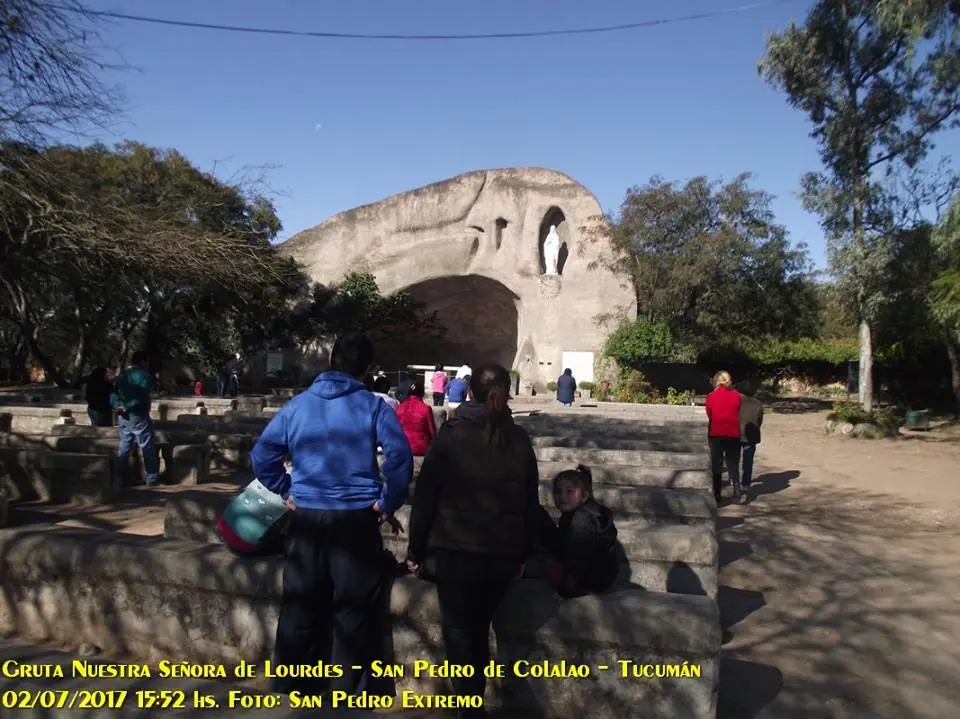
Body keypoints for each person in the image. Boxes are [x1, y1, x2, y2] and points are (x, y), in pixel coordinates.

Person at [251, 333, 414, 698]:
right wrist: (386, 501)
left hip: (306, 518)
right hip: (355, 520)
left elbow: (263, 455)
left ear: (329, 361)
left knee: (299, 607)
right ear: (368, 370)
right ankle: (346, 692)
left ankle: (288, 688)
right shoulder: (373, 407)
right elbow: (399, 460)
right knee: (352, 612)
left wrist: (287, 489)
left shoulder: (297, 406)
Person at [406, 363, 541, 714]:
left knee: (461, 634)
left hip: (455, 552)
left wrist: (416, 548)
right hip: (501, 556)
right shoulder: (519, 439)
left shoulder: (452, 435)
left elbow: (425, 497)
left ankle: (468, 704)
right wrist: (524, 553)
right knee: (478, 629)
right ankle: (471, 702)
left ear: (469, 392)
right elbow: (530, 503)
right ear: (507, 392)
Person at [538, 465, 619, 597]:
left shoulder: (582, 520)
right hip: (601, 575)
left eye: (569, 491)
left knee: (544, 566)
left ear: (585, 496)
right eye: (558, 492)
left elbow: (578, 559)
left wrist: (566, 589)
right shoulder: (576, 513)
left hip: (592, 579)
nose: (562, 497)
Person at [110, 351, 160, 487]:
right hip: (138, 414)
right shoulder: (145, 376)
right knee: (147, 445)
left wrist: (118, 405)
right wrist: (127, 406)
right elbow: (142, 396)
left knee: (124, 446)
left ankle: (120, 477)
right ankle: (151, 477)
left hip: (123, 416)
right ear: (143, 361)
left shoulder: (122, 376)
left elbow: (113, 393)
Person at [705, 370, 742, 504]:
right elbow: (738, 410)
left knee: (717, 464)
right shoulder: (737, 396)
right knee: (733, 462)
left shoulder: (711, 396)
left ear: (716, 381)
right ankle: (737, 490)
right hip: (733, 433)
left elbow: (709, 413)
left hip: (716, 433)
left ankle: (717, 494)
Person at [395, 379, 438, 456]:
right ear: (421, 394)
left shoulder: (399, 408)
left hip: (402, 447)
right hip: (421, 448)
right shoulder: (426, 408)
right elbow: (432, 432)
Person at [738, 380, 764, 502]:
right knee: (748, 463)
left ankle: (734, 484)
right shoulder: (758, 403)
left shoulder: (736, 401)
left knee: (733, 461)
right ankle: (745, 486)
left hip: (736, 434)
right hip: (751, 436)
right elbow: (759, 420)